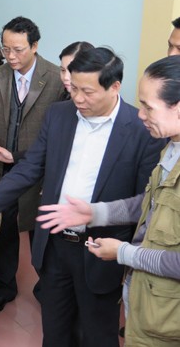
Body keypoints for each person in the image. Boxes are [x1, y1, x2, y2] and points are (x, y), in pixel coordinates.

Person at [0, 47, 165, 347]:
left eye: (88, 91)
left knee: (98, 334)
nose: (78, 98)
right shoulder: (59, 115)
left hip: (101, 248)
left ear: (114, 86)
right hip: (54, 244)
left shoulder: (140, 130)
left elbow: (144, 203)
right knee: (54, 331)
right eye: (74, 88)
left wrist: (128, 255)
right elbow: (30, 167)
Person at [37, 54, 180, 346]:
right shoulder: (171, 149)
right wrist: (94, 213)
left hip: (166, 312)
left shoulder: (152, 138)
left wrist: (123, 253)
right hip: (146, 301)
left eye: (148, 107)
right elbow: (147, 204)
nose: (140, 114)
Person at [0, 16, 65, 314]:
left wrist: (18, 155)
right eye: (6, 49)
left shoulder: (55, 79)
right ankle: (5, 286)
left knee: (41, 231)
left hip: (39, 170)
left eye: (18, 50)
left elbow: (59, 135)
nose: (11, 57)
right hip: (1, 169)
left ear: (35, 46)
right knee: (3, 228)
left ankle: (48, 287)